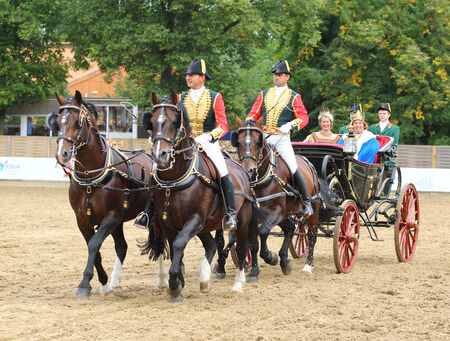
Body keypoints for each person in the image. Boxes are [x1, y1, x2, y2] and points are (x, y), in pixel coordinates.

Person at [134, 59, 237, 231]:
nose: (188, 78)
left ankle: (230, 214)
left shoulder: (215, 97)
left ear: (202, 78)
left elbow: (223, 125)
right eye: (187, 75)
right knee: (155, 168)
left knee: (223, 171)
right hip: (184, 143)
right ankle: (147, 212)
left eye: (192, 75)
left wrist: (208, 136)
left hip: (207, 144)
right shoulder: (180, 98)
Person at [246, 60, 313, 217]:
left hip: (281, 138)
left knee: (292, 166)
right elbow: (254, 113)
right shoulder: (264, 94)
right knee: (248, 162)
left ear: (287, 77)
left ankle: (306, 201)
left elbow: (304, 117)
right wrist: (250, 120)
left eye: (280, 75)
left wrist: (290, 125)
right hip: (264, 138)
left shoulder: (294, 97)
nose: (277, 77)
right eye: (275, 74)